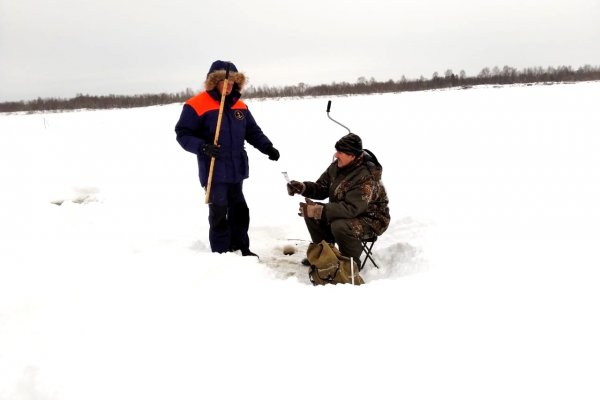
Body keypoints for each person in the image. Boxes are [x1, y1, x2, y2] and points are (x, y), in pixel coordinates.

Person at [175, 60, 280, 256]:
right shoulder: (196, 105)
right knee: (219, 213)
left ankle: (241, 247)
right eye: (225, 82)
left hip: (236, 169)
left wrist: (267, 147)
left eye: (233, 82)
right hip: (213, 169)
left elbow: (252, 131)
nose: (229, 86)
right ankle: (221, 253)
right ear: (214, 82)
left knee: (240, 211)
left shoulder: (240, 106)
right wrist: (203, 147)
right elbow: (182, 134)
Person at [287, 133, 390, 268]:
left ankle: (349, 265)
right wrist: (303, 187)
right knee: (310, 212)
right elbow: (322, 188)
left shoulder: (366, 176)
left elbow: (352, 208)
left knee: (338, 224)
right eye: (337, 151)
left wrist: (319, 210)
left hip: (371, 219)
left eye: (340, 152)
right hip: (349, 212)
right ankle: (325, 256)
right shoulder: (337, 166)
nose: (336, 155)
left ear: (352, 155)